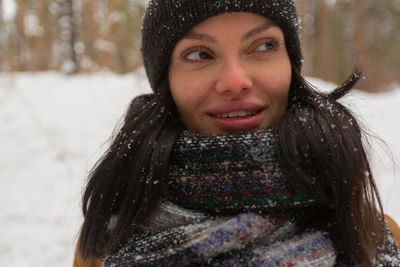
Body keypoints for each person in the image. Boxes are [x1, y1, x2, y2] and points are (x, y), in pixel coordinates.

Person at [74, 0, 400, 266]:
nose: (235, 81)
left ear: (290, 63)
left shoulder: (370, 233)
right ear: (167, 82)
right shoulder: (104, 243)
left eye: (262, 46)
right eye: (200, 54)